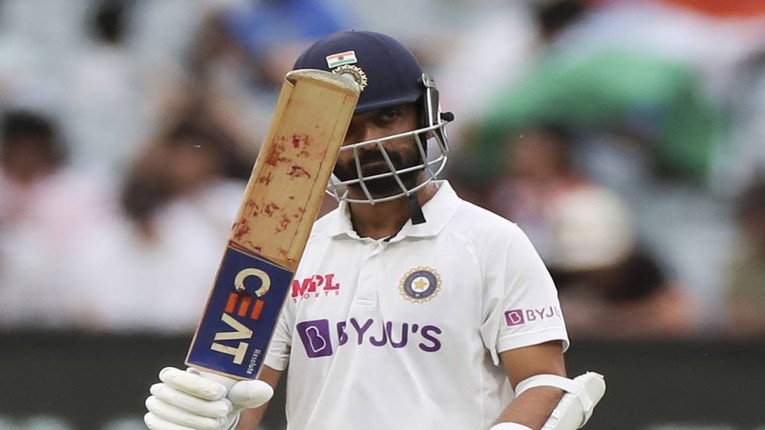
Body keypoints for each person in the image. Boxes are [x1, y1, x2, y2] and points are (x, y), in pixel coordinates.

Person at [143, 30, 604, 430]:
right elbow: (243, 397)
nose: (372, 143)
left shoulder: (492, 243)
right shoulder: (286, 254)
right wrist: (211, 416)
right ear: (318, 140)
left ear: (424, 116)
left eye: (387, 118)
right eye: (349, 127)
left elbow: (543, 382)